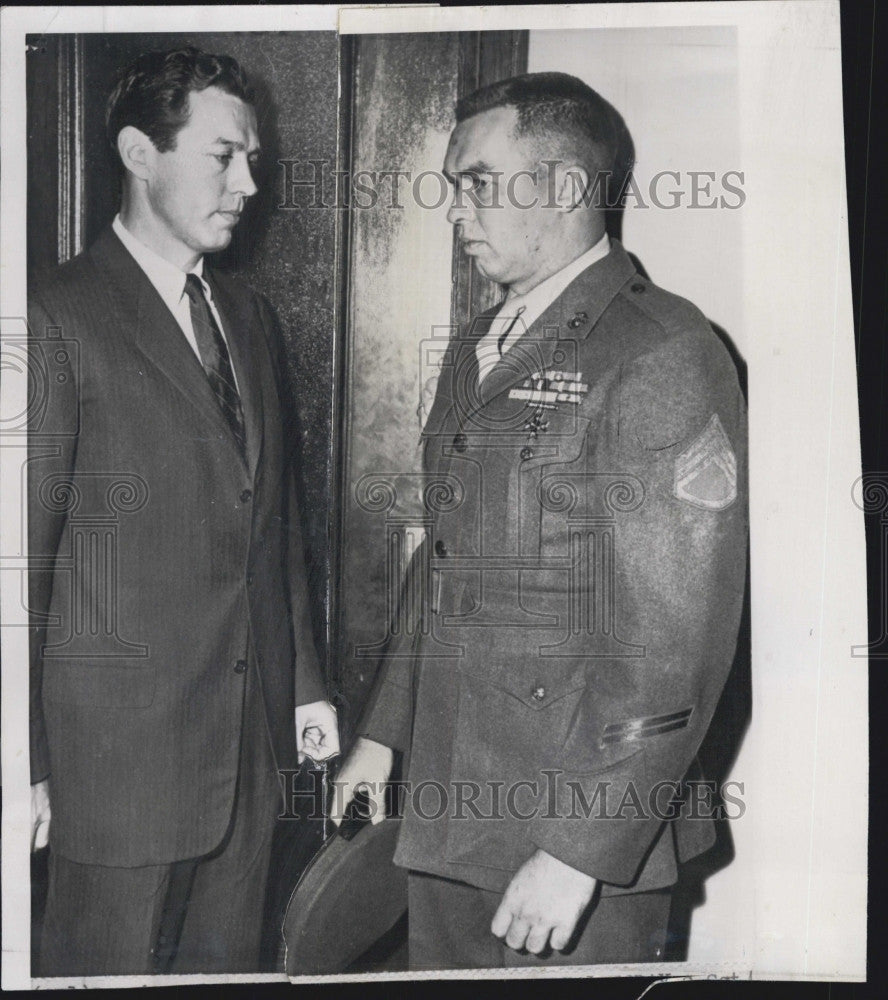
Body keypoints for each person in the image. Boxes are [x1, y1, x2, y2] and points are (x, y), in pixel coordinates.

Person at [333, 72, 747, 970]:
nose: (454, 208)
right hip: (449, 807)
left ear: (563, 188)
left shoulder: (661, 351)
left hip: (572, 836)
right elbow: (442, 563)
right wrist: (381, 734)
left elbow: (675, 638)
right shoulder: (484, 344)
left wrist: (578, 850)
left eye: (477, 181)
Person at [28, 46, 338, 976]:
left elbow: (274, 528)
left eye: (253, 159)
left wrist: (308, 687)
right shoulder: (52, 317)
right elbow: (17, 563)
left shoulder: (249, 319)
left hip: (250, 753)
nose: (247, 182)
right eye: (222, 156)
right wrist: (23, 759)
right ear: (137, 152)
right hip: (112, 770)